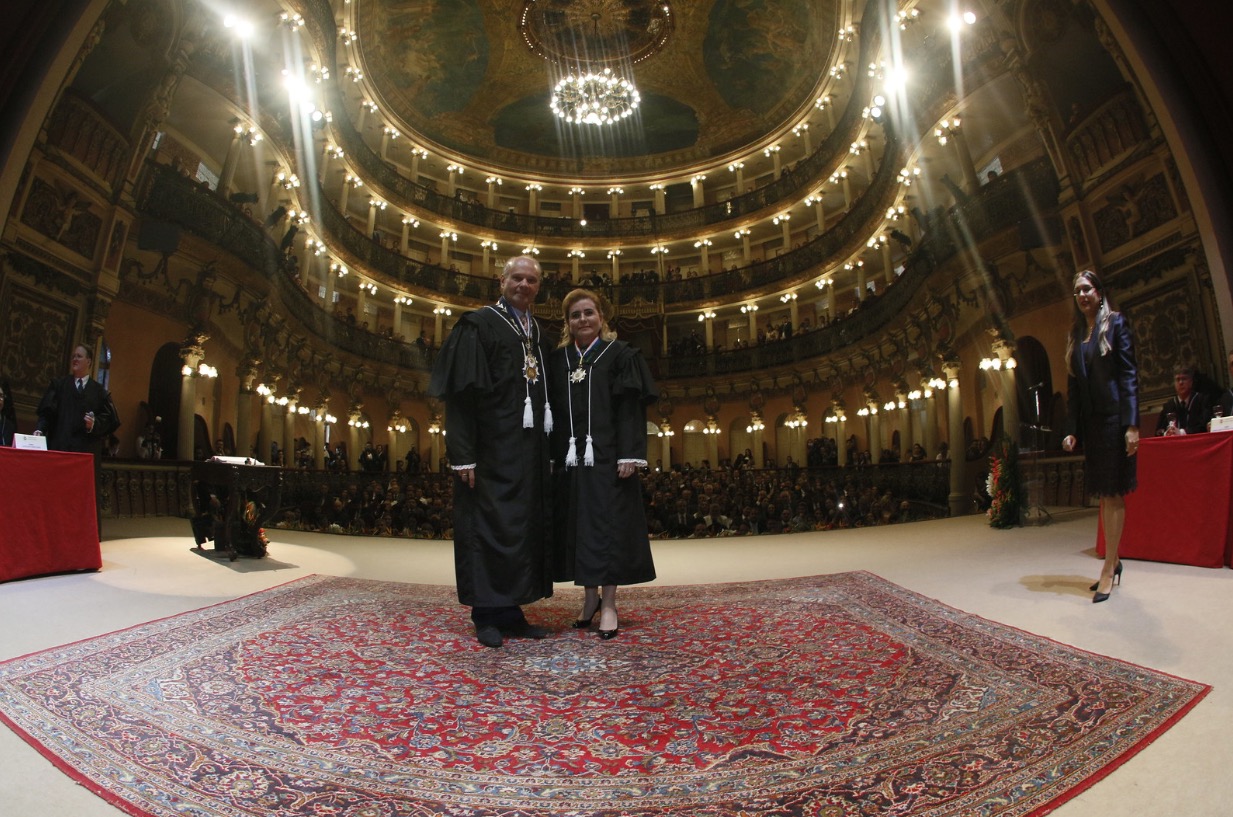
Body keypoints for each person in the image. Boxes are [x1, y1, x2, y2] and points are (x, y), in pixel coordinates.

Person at [428, 255, 555, 648]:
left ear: (538, 286)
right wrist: (462, 453)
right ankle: (485, 613)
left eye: (531, 280)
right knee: (486, 530)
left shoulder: (538, 333)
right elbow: (461, 395)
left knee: (520, 529)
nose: (524, 285)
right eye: (516, 278)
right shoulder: (478, 324)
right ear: (501, 281)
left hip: (528, 451)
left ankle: (513, 610)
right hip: (488, 450)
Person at [549, 289, 658, 640]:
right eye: (575, 315)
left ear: (601, 317)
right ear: (568, 323)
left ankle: (609, 603)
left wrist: (630, 453)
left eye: (588, 313)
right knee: (579, 528)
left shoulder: (621, 355)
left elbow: (630, 410)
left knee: (608, 528)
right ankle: (588, 599)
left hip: (609, 459)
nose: (582, 319)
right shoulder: (560, 359)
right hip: (571, 462)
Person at [1061, 270, 1139, 603]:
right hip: (1093, 424)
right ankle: (1114, 560)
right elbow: (1074, 387)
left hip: (1114, 420)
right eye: (1077, 291)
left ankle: (1109, 567)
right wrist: (1071, 429)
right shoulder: (1077, 332)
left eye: (1087, 289)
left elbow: (1129, 374)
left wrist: (1132, 424)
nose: (1082, 295)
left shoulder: (1116, 323)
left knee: (1113, 494)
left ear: (1099, 291)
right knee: (1104, 495)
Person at [34, 344, 121, 537]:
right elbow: (47, 413)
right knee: (56, 494)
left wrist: (94, 425)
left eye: (79, 356)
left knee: (81, 498)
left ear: (89, 361)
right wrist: (40, 429)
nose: (75, 359)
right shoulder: (60, 385)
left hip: (85, 453)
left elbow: (111, 420)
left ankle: (82, 539)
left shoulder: (99, 392)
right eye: (73, 356)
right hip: (61, 448)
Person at [1154, 365, 1210, 436]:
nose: (1180, 382)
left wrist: (1181, 433)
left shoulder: (1202, 400)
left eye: (1184, 379)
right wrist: (1166, 433)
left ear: (1191, 382)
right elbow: (1158, 432)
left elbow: (1205, 427)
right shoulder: (1169, 406)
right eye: (1177, 379)